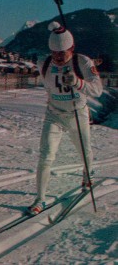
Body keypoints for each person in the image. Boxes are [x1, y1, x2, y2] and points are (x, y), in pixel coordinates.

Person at [27, 21, 103, 215]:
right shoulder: (44, 63)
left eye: (63, 53)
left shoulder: (83, 62)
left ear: (72, 48)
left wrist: (77, 83)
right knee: (46, 156)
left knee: (85, 152)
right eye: (54, 53)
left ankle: (88, 174)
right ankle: (40, 199)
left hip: (78, 114)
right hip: (54, 115)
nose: (58, 58)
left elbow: (97, 90)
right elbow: (48, 87)